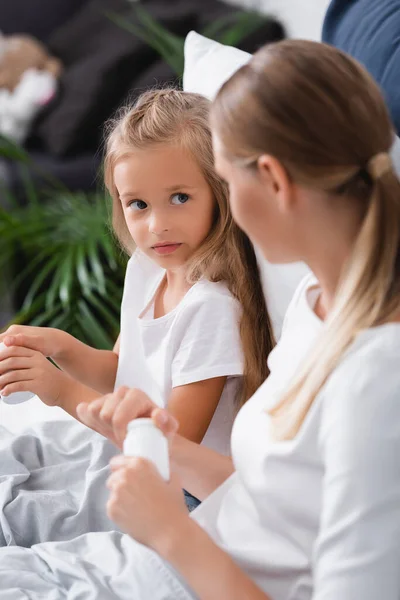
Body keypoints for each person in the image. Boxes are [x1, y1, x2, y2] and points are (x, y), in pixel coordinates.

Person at [1, 38, 400, 599]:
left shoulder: (377, 378)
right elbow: (265, 494)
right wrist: (144, 433)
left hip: (185, 565)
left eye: (224, 184)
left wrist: (168, 531)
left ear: (274, 182)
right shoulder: (318, 302)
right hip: (184, 547)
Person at [0, 89, 273, 545]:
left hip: (182, 495)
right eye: (138, 205)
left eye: (180, 197)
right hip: (129, 455)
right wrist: (60, 348)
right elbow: (123, 375)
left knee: (23, 520)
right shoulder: (147, 270)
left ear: (219, 193)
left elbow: (167, 449)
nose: (156, 225)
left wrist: (61, 391)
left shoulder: (212, 310)